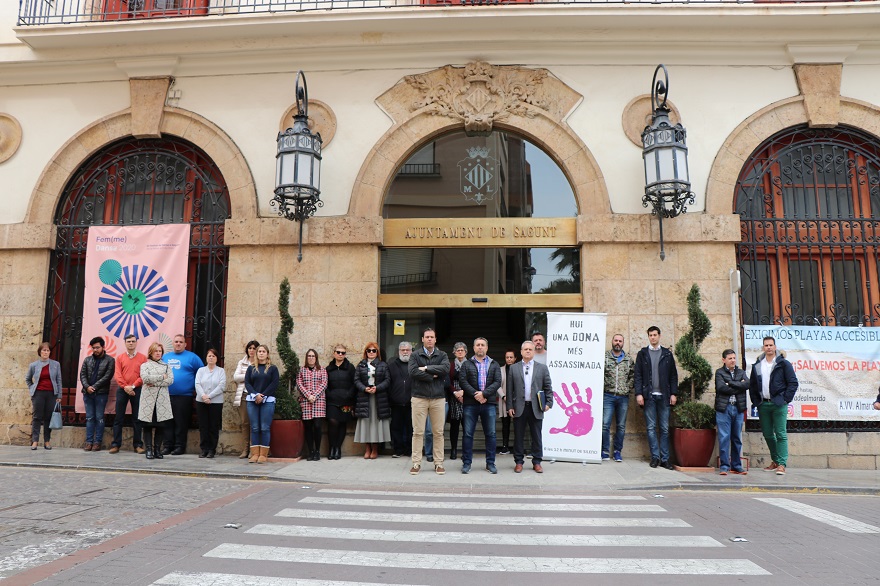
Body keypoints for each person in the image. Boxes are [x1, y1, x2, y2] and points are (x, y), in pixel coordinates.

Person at [748, 336, 798, 476]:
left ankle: (782, 464)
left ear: (775, 347)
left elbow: (793, 383)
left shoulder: (783, 364)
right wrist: (755, 400)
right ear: (763, 347)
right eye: (766, 345)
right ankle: (775, 461)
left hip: (778, 404)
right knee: (768, 434)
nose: (769, 347)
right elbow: (752, 385)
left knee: (781, 434)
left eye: (771, 345)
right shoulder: (758, 364)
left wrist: (785, 399)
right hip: (763, 404)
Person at [634, 326, 678, 470]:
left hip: (664, 396)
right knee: (651, 428)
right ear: (648, 337)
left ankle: (665, 459)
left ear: (659, 336)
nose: (652, 337)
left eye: (655, 335)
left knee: (664, 428)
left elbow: (673, 375)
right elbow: (638, 375)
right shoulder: (642, 354)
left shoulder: (667, 354)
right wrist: (639, 393)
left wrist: (673, 393)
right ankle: (655, 457)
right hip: (649, 397)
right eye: (650, 335)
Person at [507, 340, 553, 473]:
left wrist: (549, 403)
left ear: (534, 352)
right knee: (518, 436)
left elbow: (548, 387)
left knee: (536, 436)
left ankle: (537, 461)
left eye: (530, 349)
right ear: (521, 352)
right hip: (519, 407)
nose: (528, 351)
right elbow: (510, 390)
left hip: (536, 407)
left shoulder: (542, 368)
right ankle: (519, 462)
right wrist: (510, 405)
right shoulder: (514, 368)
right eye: (525, 349)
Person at [409, 327, 450, 475]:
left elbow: (445, 369)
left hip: (438, 398)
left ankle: (438, 463)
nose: (429, 339)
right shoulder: (415, 355)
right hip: (419, 398)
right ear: (422, 339)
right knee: (418, 432)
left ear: (435, 339)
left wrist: (426, 368)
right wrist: (432, 376)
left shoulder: (443, 355)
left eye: (432, 337)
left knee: (438, 432)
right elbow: (413, 372)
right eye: (427, 337)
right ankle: (416, 463)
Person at [459, 337, 502, 474]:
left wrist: (484, 394)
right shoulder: (467, 364)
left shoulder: (494, 364)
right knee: (467, 434)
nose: (480, 347)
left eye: (483, 345)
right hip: (470, 403)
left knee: (491, 434)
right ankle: (467, 463)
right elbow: (463, 381)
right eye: (478, 345)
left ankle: (490, 463)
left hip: (488, 403)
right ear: (473, 348)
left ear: (487, 348)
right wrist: (475, 394)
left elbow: (497, 382)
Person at [162, 335, 204, 455]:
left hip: (184, 396)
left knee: (181, 422)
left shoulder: (192, 357)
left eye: (181, 342)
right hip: (166, 395)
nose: (178, 344)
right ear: (173, 344)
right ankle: (167, 446)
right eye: (176, 342)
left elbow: (201, 373)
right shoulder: (165, 357)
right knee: (167, 422)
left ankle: (179, 446)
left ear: (185, 344)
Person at [354, 342, 392, 459]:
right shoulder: (361, 365)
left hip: (378, 397)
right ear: (365, 352)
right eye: (369, 350)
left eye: (373, 350)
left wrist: (377, 388)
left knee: (376, 423)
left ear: (377, 353)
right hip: (364, 397)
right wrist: (364, 388)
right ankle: (367, 448)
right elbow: (356, 380)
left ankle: (375, 449)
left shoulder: (383, 365)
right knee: (365, 422)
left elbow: (387, 380)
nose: (371, 352)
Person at [110, 334, 147, 455]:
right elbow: (117, 374)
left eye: (133, 341)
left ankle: (138, 445)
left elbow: (143, 375)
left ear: (136, 343)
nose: (131, 343)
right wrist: (125, 386)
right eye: (128, 341)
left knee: (137, 419)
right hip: (122, 389)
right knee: (118, 418)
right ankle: (116, 444)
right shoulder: (120, 358)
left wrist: (133, 386)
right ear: (125, 343)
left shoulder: (143, 358)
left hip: (137, 389)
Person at [715, 349, 749, 475]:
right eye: (730, 358)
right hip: (724, 409)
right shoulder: (719, 372)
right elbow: (721, 387)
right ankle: (724, 466)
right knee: (724, 437)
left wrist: (730, 383)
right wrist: (738, 385)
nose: (733, 360)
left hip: (738, 408)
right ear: (724, 360)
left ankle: (737, 465)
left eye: (734, 358)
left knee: (736, 438)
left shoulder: (741, 372)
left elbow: (747, 384)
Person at [79, 336, 116, 451]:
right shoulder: (87, 360)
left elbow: (107, 376)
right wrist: (87, 387)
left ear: (103, 347)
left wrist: (94, 387)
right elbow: (82, 375)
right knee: (89, 418)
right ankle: (89, 442)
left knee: (99, 417)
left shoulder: (110, 360)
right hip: (87, 393)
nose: (95, 350)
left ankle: (97, 442)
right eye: (93, 348)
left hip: (101, 393)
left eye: (97, 347)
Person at [602, 333, 634, 462]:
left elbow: (633, 375)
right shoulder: (605, 357)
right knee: (605, 425)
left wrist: (627, 387)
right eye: (616, 340)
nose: (618, 343)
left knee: (621, 426)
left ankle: (617, 451)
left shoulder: (628, 359)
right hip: (608, 396)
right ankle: (604, 450)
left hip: (623, 397)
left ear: (623, 343)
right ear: (612, 341)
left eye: (620, 341)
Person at [245, 344, 279, 464]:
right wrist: (255, 395)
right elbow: (247, 383)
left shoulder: (273, 369)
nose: (261, 353)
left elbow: (274, 384)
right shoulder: (251, 368)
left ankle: (263, 455)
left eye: (263, 351)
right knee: (254, 427)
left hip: (268, 400)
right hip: (252, 400)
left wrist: (263, 395)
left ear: (267, 354)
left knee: (265, 427)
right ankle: (255, 454)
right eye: (259, 351)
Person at [139, 342, 173, 460]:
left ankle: (157, 450)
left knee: (161, 425)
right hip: (148, 399)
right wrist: (161, 377)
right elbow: (145, 378)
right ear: (151, 352)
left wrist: (154, 383)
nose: (158, 353)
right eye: (156, 351)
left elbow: (170, 381)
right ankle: (148, 450)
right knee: (147, 425)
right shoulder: (145, 365)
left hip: (162, 399)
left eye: (160, 351)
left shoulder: (167, 366)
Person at [25, 342, 62, 450]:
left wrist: (59, 395)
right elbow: (28, 379)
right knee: (37, 417)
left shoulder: (56, 364)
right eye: (44, 350)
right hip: (38, 394)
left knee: (48, 418)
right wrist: (32, 389)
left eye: (48, 350)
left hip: (52, 394)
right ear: (40, 352)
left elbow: (59, 380)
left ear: (50, 352)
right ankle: (35, 441)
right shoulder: (33, 365)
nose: (46, 352)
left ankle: (47, 441)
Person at [325, 344, 356, 460]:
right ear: (334, 353)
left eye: (343, 353)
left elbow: (355, 383)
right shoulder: (328, 368)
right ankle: (331, 447)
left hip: (346, 400)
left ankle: (337, 449)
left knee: (343, 423)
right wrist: (330, 394)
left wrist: (349, 394)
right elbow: (325, 384)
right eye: (338, 352)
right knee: (333, 422)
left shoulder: (350, 367)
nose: (340, 354)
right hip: (332, 401)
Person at [195, 348, 226, 459]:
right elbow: (197, 384)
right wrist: (203, 396)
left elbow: (221, 386)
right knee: (203, 426)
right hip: (201, 401)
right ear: (206, 358)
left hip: (216, 402)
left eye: (213, 356)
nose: (211, 358)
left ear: (217, 358)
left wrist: (209, 396)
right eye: (209, 356)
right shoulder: (201, 370)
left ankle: (212, 449)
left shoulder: (221, 371)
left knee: (213, 426)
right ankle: (204, 449)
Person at [297, 348, 327, 461]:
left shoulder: (322, 370)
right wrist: (308, 395)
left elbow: (324, 384)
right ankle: (311, 451)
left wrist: (314, 395)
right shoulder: (301, 370)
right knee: (308, 427)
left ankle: (318, 451)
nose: (311, 358)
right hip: (306, 401)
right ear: (306, 358)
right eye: (309, 356)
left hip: (318, 402)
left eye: (313, 356)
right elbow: (299, 384)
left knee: (318, 426)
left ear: (316, 358)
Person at [233, 340, 259, 460]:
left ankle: (254, 449)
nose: (252, 350)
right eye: (250, 348)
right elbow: (236, 377)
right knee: (245, 423)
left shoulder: (260, 363)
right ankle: (245, 448)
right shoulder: (242, 362)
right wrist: (249, 375)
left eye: (254, 348)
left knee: (255, 423)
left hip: (256, 396)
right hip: (244, 395)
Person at [387, 341, 413, 458]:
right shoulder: (391, 365)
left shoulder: (415, 365)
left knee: (410, 428)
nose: (405, 352)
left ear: (411, 351)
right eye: (403, 350)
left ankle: (409, 450)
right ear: (399, 352)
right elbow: (388, 383)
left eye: (407, 350)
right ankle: (398, 450)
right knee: (396, 427)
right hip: (396, 402)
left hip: (411, 403)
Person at [446, 342, 467, 460]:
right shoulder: (450, 365)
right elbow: (447, 381)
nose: (460, 352)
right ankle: (453, 450)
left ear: (466, 352)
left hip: (467, 398)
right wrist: (456, 393)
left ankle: (465, 451)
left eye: (462, 350)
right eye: (458, 350)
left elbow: (473, 381)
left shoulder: (470, 364)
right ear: (454, 352)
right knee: (454, 426)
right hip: (454, 398)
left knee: (467, 427)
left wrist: (464, 392)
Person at [497, 349, 517, 455]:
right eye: (507, 357)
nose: (509, 359)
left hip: (517, 401)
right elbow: (497, 385)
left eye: (511, 357)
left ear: (515, 359)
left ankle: (517, 446)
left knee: (518, 424)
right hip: (504, 400)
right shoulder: (500, 370)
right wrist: (503, 396)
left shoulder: (519, 369)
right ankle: (505, 446)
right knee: (505, 424)